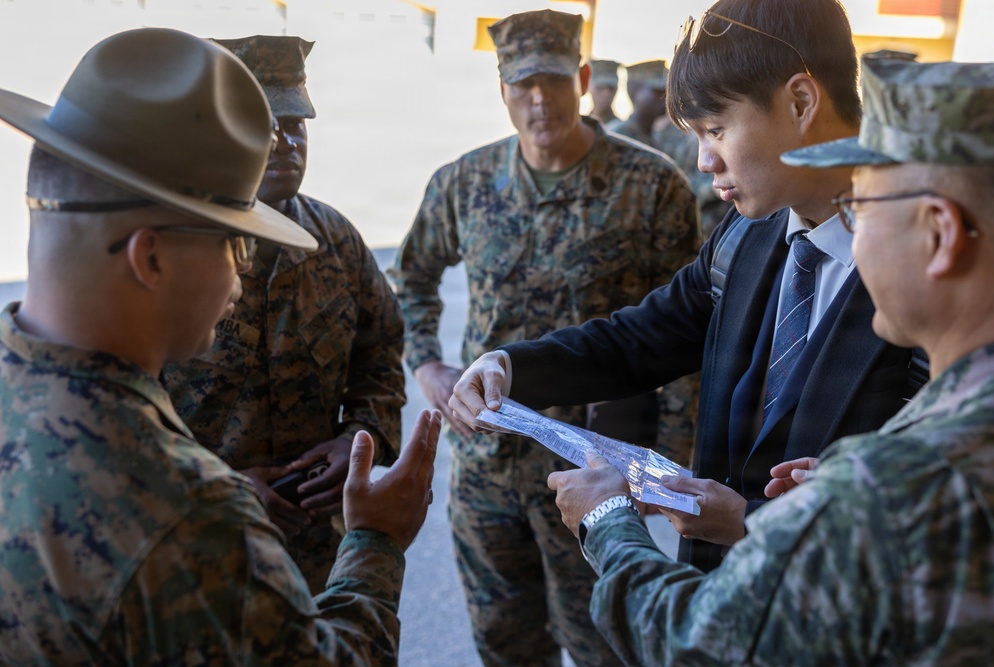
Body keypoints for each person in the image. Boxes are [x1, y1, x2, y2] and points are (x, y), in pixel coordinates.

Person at [0, 28, 440, 663]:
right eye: (231, 242)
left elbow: (378, 345)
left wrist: (363, 433)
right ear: (149, 256)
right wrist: (376, 540)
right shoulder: (194, 514)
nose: (240, 270)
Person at [544, 56, 994, 666]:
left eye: (862, 206)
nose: (851, 235)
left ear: (939, 234)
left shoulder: (896, 484)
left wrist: (606, 518)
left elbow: (694, 640)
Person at [450, 0, 922, 574]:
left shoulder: (931, 269)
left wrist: (751, 524)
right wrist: (512, 365)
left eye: (716, 129)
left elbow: (939, 501)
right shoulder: (751, 230)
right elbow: (649, 333)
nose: (703, 160)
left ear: (801, 102)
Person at [388, 9, 700, 666]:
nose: (538, 100)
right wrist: (429, 366)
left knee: (607, 642)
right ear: (501, 91)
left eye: (554, 82)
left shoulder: (651, 187)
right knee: (504, 642)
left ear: (582, 79)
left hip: (595, 466)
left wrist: (664, 469)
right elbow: (412, 274)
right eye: (521, 85)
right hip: (487, 468)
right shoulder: (463, 183)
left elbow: (688, 337)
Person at [161, 35, 406, 594]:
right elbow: (125, 402)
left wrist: (360, 439)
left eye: (295, 125)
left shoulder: (336, 240)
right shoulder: (169, 248)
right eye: (262, 125)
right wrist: (221, 487)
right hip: (198, 541)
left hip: (317, 549)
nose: (284, 143)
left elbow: (382, 349)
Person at [606, 59, 667, 148]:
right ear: (635, 92)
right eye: (657, 92)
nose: (664, 98)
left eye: (666, 92)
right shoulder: (617, 135)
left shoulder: (652, 135)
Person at [588, 58, 622, 125]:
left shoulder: (624, 131)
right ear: (589, 88)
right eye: (600, 88)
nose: (606, 94)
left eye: (611, 89)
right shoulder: (579, 127)